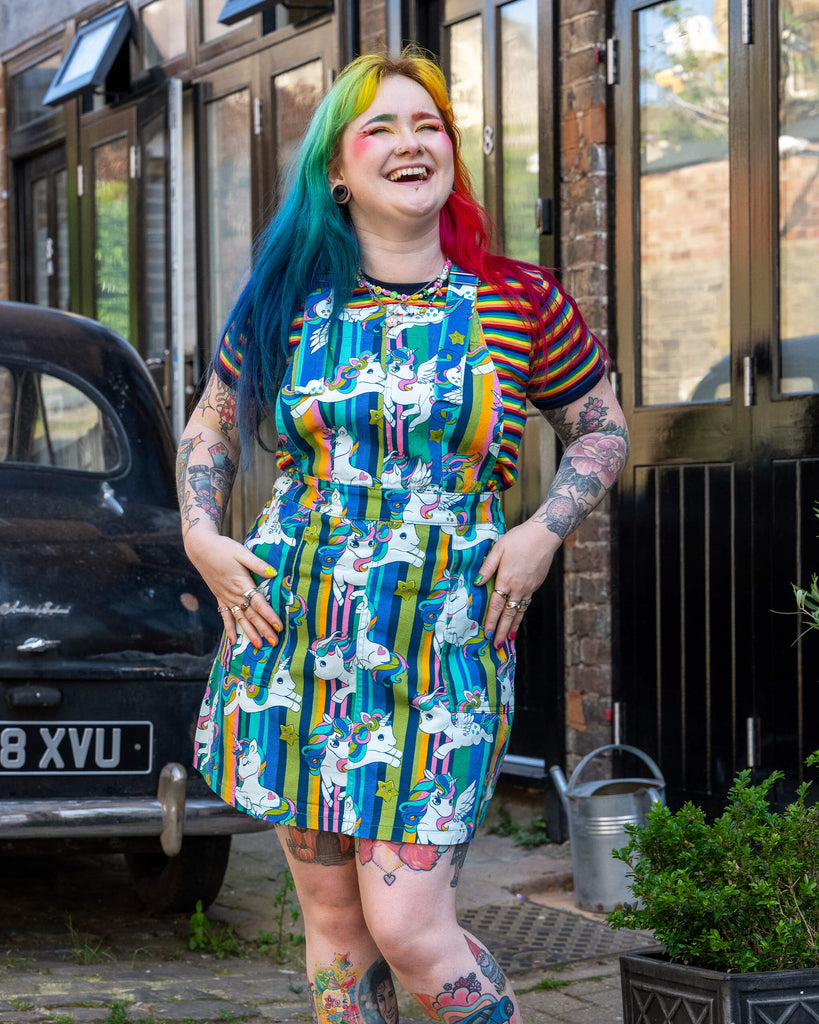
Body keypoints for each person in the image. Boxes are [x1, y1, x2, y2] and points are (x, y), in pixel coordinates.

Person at [177, 49, 628, 1024]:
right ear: (338, 169)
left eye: (428, 125)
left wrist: (546, 528)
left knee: (412, 926)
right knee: (336, 936)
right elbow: (210, 422)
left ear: (451, 156)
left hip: (446, 641)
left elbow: (604, 425)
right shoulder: (284, 303)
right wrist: (201, 538)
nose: (410, 142)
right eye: (379, 127)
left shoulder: (519, 300)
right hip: (291, 635)